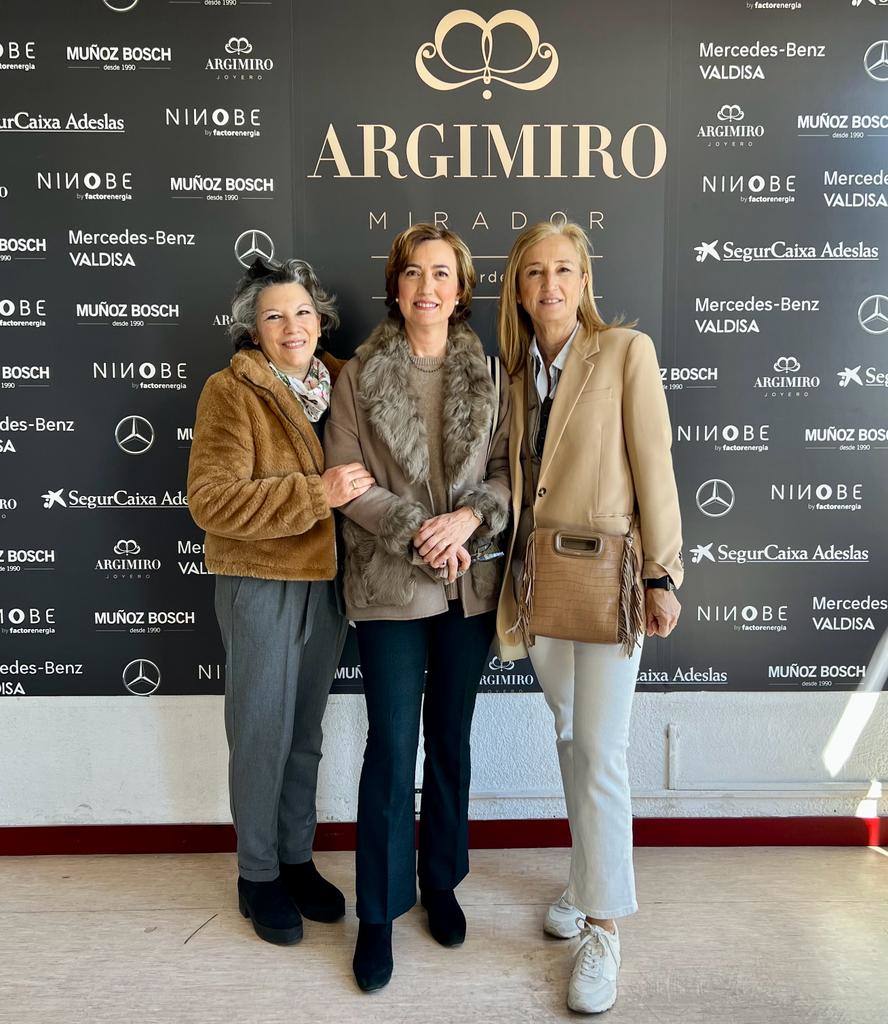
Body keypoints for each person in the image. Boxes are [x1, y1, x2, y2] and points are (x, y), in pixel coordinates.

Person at [495, 222, 683, 1014]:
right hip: (543, 582)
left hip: (608, 580)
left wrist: (662, 573)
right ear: (519, 285)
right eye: (535, 272)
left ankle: (604, 927)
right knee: (571, 734)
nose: (549, 285)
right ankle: (582, 878)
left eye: (564, 270)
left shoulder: (623, 353)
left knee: (602, 749)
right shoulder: (512, 372)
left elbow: (656, 461)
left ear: (584, 279)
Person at [324, 223, 511, 992]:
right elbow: (347, 479)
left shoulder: (490, 372)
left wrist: (467, 519)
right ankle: (378, 914)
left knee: (453, 745)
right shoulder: (358, 376)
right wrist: (418, 532)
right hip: (392, 587)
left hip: (470, 584)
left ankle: (441, 884)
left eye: (442, 274)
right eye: (413, 274)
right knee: (392, 750)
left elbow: (506, 473)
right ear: (396, 288)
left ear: (461, 290)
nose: (427, 287)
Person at [187, 257, 374, 946]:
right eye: (273, 316)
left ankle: (295, 858)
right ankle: (256, 873)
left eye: (300, 312)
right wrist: (312, 494)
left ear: (319, 316)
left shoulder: (346, 380)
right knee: (260, 734)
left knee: (302, 735)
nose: (291, 326)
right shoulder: (230, 392)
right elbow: (209, 501)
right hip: (259, 582)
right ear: (252, 330)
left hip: (326, 586)